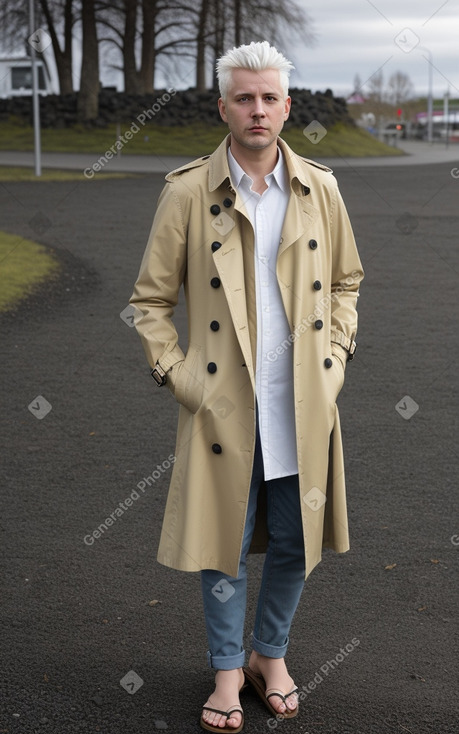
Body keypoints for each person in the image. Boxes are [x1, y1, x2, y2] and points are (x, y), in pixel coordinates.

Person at [130, 40, 364, 733]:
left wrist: (337, 354)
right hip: (223, 404)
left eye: (269, 98)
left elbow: (347, 282)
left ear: (286, 107)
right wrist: (181, 380)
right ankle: (227, 671)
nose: (257, 109)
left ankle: (271, 656)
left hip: (302, 401)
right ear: (222, 106)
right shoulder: (185, 193)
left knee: (297, 539)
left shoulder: (320, 187)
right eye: (243, 97)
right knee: (223, 544)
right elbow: (148, 303)